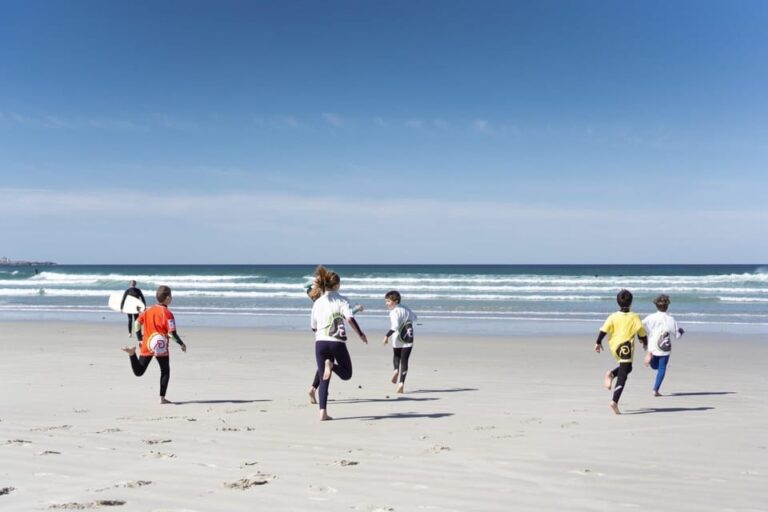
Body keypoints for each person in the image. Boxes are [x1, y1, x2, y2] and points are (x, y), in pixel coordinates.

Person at [310, 266, 368, 420]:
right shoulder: (342, 300)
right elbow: (349, 318)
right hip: (337, 343)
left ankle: (323, 412)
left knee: (324, 379)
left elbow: (313, 326)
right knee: (347, 374)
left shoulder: (318, 302)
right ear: (337, 285)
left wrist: (321, 336)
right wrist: (360, 334)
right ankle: (332, 365)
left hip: (320, 342)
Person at [121, 285, 187, 404]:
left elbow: (136, 324)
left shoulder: (147, 311)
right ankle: (162, 398)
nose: (171, 298)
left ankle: (132, 354)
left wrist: (140, 339)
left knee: (139, 371)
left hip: (147, 343)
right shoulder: (168, 313)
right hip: (161, 346)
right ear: (167, 299)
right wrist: (181, 344)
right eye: (170, 296)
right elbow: (171, 334)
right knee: (165, 371)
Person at [306, 280, 363, 404]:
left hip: (321, 338)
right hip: (334, 336)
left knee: (324, 367)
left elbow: (315, 325)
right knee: (328, 366)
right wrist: (357, 309)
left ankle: (313, 388)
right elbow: (344, 316)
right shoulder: (329, 301)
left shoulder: (320, 302)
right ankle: (314, 389)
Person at [594, 289, 648, 415]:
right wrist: (644, 342)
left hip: (614, 347)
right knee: (623, 375)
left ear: (617, 302)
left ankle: (611, 374)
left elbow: (604, 330)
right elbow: (641, 331)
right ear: (631, 303)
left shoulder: (612, 317)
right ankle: (614, 401)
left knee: (628, 368)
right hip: (626, 348)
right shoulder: (634, 317)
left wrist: (598, 342)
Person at [642, 294, 684, 397]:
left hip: (652, 347)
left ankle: (650, 358)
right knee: (661, 368)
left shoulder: (650, 317)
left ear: (656, 305)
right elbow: (677, 336)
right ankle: (655, 390)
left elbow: (640, 325)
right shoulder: (671, 319)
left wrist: (642, 338)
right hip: (665, 347)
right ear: (667, 306)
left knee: (654, 366)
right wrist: (681, 331)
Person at [383, 290, 417, 394]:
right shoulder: (406, 308)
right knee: (405, 360)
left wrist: (386, 336)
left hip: (398, 337)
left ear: (396, 301)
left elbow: (395, 326)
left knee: (397, 356)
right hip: (408, 336)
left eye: (388, 301)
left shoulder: (394, 312)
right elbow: (415, 318)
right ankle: (401, 383)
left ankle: (396, 370)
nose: (386, 303)